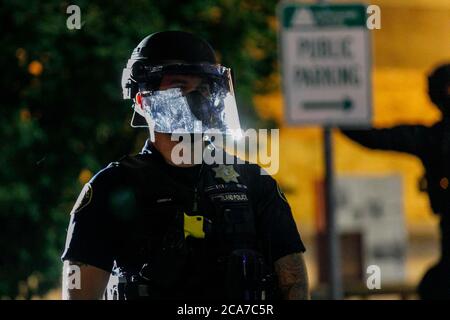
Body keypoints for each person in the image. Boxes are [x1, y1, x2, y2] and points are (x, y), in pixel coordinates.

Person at [61, 31, 309, 300]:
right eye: (179, 88)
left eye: (202, 89)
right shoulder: (110, 187)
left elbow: (293, 284)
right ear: (143, 100)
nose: (195, 100)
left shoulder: (254, 182)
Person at [341, 63, 450, 299]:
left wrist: (336, 112)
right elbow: (375, 137)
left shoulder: (433, 138)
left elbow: (373, 137)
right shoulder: (433, 138)